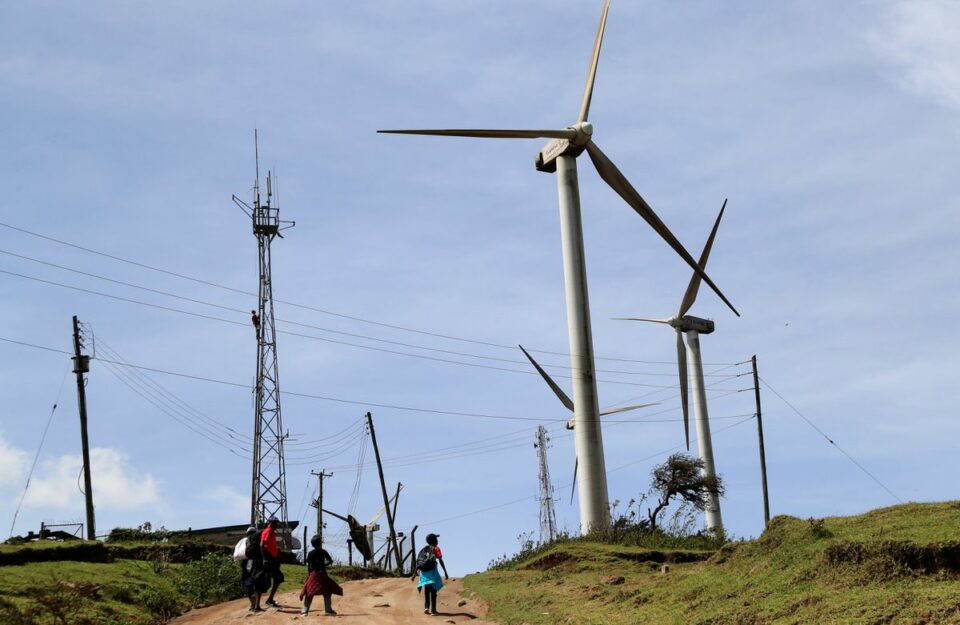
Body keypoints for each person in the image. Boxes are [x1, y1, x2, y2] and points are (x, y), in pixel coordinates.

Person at [300, 534, 343, 615]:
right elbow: (330, 560)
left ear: (312, 544)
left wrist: (309, 575)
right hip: (322, 574)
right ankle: (328, 610)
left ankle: (304, 611)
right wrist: (324, 565)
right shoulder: (323, 552)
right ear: (320, 543)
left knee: (309, 592)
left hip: (313, 574)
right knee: (327, 591)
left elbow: (309, 566)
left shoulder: (310, 553)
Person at [412, 533, 449, 616]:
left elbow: (419, 562)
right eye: (436, 539)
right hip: (432, 573)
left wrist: (414, 574)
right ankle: (433, 611)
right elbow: (440, 560)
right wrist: (445, 572)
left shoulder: (424, 550)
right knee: (433, 591)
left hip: (424, 574)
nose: (437, 540)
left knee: (426, 591)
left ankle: (426, 607)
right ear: (434, 540)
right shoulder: (436, 548)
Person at [240, 527, 268, 612]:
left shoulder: (244, 541)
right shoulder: (257, 539)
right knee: (258, 583)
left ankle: (252, 605)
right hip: (256, 563)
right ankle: (257, 606)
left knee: (249, 584)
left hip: (247, 564)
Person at [260, 516, 285, 607]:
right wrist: (265, 558)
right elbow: (262, 545)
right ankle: (267, 600)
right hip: (269, 559)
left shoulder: (271, 531)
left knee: (278, 578)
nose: (276, 525)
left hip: (272, 559)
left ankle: (269, 599)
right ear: (271, 523)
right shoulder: (268, 531)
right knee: (276, 578)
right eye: (275, 523)